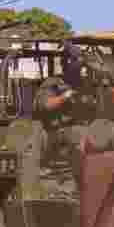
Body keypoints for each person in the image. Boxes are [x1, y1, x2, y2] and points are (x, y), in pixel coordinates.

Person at [32, 42, 97, 183]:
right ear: (66, 63)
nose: (80, 69)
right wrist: (65, 96)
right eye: (76, 62)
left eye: (81, 64)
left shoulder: (86, 84)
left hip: (85, 128)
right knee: (79, 136)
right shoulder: (53, 83)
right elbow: (44, 105)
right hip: (58, 131)